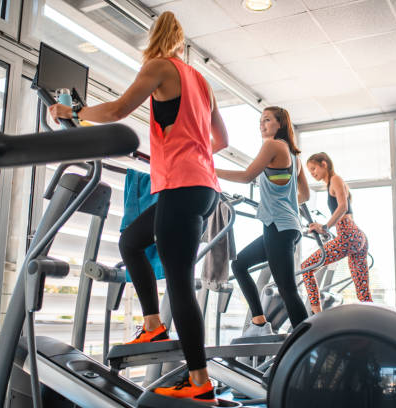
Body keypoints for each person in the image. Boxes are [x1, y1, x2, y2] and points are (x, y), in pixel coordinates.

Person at [49, 11, 228, 404]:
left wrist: (71, 113)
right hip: (201, 186)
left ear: (156, 37)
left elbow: (115, 112)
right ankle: (152, 324)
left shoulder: (158, 67)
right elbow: (221, 139)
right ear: (182, 42)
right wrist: (186, 152)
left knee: (180, 282)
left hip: (182, 186)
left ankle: (199, 384)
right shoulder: (202, 81)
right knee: (131, 240)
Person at [215, 106, 310, 335]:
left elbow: (247, 175)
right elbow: (304, 195)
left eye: (267, 120)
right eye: (260, 120)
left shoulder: (272, 145)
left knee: (287, 289)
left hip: (278, 225)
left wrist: (208, 170)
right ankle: (259, 323)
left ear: (281, 124)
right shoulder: (294, 155)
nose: (262, 124)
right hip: (285, 225)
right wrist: (282, 201)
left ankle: (309, 341)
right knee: (239, 265)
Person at [301, 152, 372, 314]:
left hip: (348, 235)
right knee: (363, 292)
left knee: (306, 268)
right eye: (310, 171)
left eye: (314, 168)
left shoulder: (335, 179)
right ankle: (375, 322)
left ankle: (317, 316)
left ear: (324, 164)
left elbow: (343, 207)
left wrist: (325, 227)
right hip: (356, 236)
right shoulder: (332, 183)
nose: (312, 173)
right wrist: (323, 228)